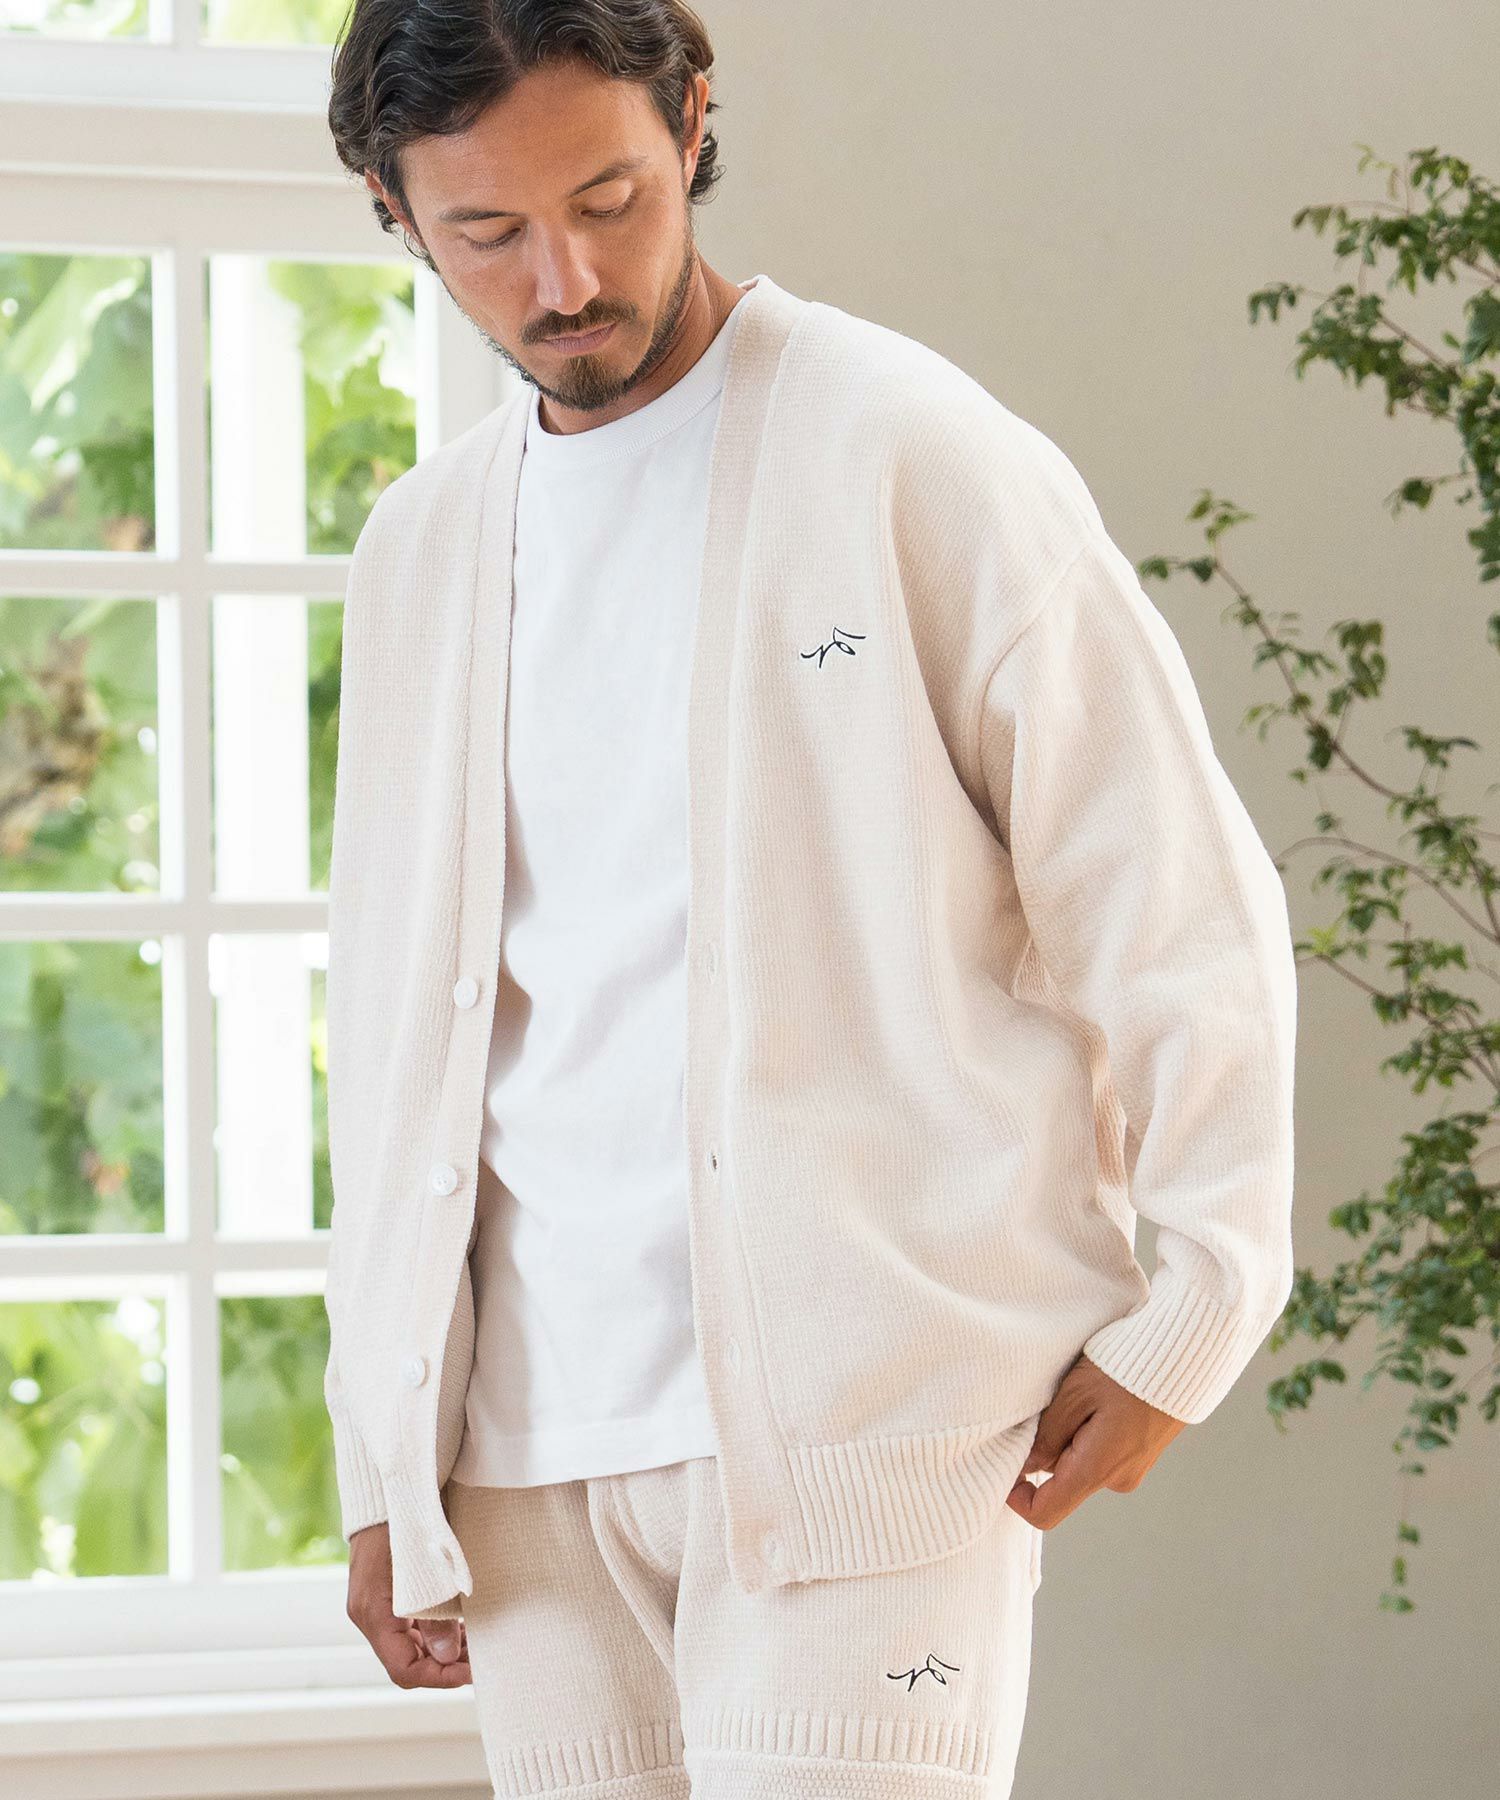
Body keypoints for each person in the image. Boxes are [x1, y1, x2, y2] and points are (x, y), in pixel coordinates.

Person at [321, 5, 1299, 1798]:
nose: (565, 280)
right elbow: (393, 1032)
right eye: (489, 233)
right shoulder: (422, 549)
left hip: (874, 1430)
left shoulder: (910, 450)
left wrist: (1203, 1302)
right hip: (525, 1470)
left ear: (692, 123)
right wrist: (386, 1446)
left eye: (610, 200)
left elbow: (1169, 893)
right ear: (394, 211)